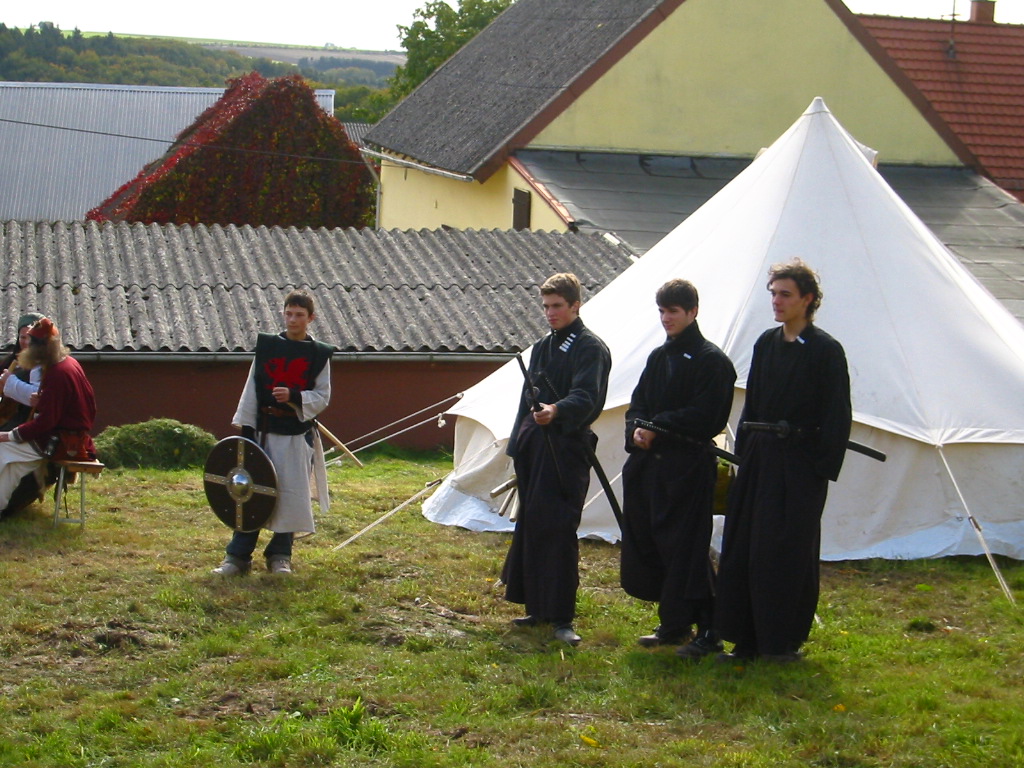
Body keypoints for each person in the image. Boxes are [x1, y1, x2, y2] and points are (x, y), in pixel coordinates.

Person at [715, 260, 852, 663]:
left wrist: (816, 472)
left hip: (798, 465)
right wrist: (744, 457)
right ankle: (745, 639)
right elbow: (753, 404)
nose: (776, 301)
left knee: (784, 551)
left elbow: (837, 416)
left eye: (785, 294)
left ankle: (780, 642)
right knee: (745, 546)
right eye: (773, 293)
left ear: (807, 299)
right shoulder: (766, 343)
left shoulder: (826, 351)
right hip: (760, 461)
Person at [620, 279, 736, 659]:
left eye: (673, 311)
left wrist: (658, 426)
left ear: (692, 312)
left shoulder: (712, 361)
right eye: (662, 311)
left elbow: (707, 415)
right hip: (652, 468)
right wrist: (637, 429)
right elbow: (638, 403)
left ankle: (711, 627)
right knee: (659, 545)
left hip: (687, 469)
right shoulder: (658, 357)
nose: (666, 318)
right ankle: (674, 623)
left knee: (686, 549)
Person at [502, 273, 611, 645]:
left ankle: (562, 616)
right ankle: (537, 606)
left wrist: (558, 410)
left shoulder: (590, 347)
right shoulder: (543, 347)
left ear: (575, 305)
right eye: (546, 306)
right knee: (534, 525)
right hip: (535, 448)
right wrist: (516, 447)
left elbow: (588, 395)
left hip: (566, 448)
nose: (550, 313)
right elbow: (526, 399)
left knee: (559, 529)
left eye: (557, 306)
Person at [213, 290, 332, 576]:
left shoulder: (319, 354)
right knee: (251, 492)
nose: (293, 320)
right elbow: (252, 390)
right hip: (263, 433)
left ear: (311, 318)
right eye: (289, 314)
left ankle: (280, 556)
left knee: (290, 495)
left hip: (294, 434)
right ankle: (237, 557)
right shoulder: (267, 347)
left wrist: (295, 396)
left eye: (299, 315)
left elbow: (322, 396)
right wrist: (247, 432)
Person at [0, 318, 97, 513]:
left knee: (3, 448)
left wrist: (9, 435)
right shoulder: (68, 363)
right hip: (67, 436)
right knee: (12, 466)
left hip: (60, 441)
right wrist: (43, 401)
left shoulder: (57, 373)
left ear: (40, 349)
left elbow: (46, 422)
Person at [0, 312, 45, 432]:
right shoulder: (11, 361)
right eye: (23, 337)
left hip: (27, 424)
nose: (27, 342)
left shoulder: (44, 365)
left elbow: (37, 396)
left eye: (31, 338)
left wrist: (9, 381)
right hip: (6, 419)